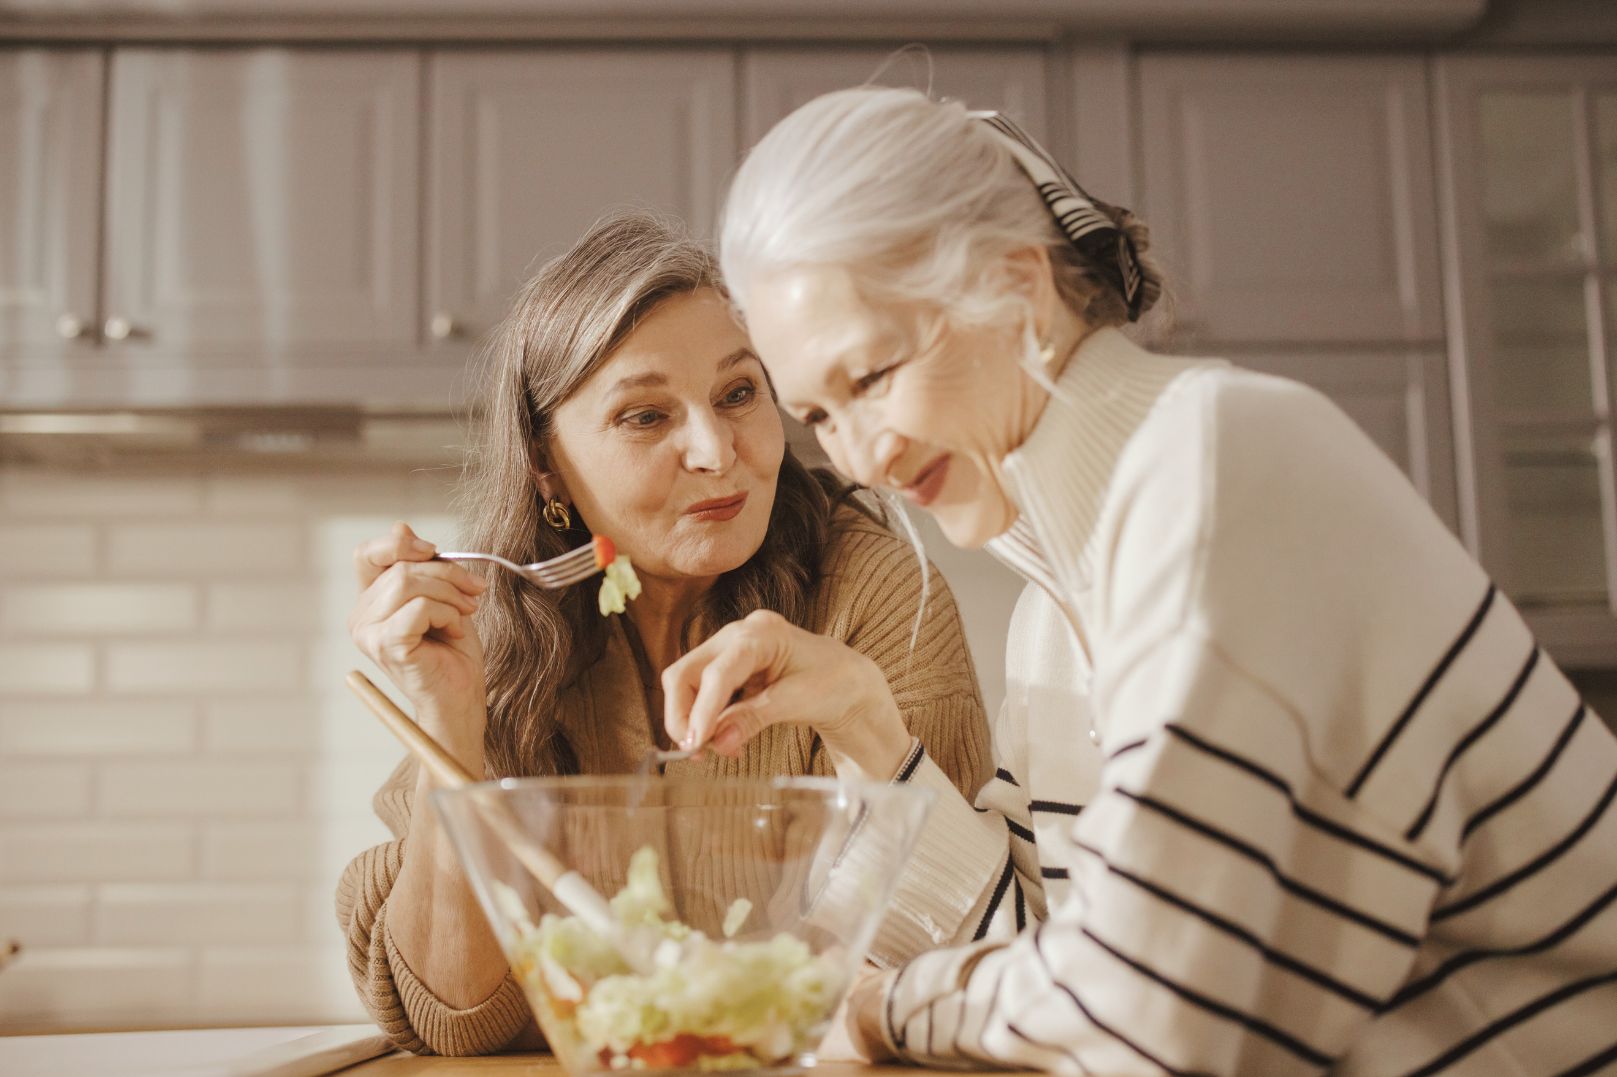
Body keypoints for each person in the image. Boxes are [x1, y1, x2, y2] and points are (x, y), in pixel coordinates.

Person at [661, 87, 1617, 1075]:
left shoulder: (1219, 463)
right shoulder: (1055, 611)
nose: (862, 458)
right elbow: (1048, 955)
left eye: (870, 378)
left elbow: (1157, 1009)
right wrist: (864, 719)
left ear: (1017, 288)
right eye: (821, 417)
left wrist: (877, 1011)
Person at [336, 210, 993, 1057]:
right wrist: (449, 718)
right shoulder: (491, 629)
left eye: (738, 393)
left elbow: (931, 954)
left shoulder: (874, 590)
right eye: (646, 416)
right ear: (544, 464)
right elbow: (453, 1014)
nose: (716, 450)